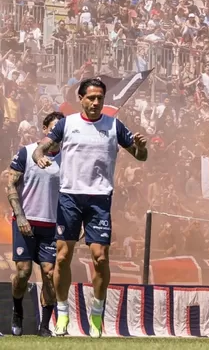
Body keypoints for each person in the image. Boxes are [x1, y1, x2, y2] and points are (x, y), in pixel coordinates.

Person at [32, 78, 148, 338]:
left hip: (99, 199)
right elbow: (42, 146)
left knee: (101, 258)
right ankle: (62, 314)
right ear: (81, 99)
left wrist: (141, 148)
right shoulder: (67, 124)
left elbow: (140, 156)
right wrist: (39, 155)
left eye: (100, 98)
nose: (96, 103)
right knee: (62, 258)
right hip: (70, 197)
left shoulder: (114, 125)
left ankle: (97, 314)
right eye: (91, 98)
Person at [5, 112, 65, 337]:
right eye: (53, 129)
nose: (57, 134)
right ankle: (17, 311)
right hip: (25, 222)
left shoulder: (67, 158)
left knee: (49, 274)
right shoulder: (26, 152)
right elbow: (11, 186)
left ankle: (44, 326)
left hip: (51, 226)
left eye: (61, 131)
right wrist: (20, 217)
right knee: (23, 273)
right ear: (44, 128)